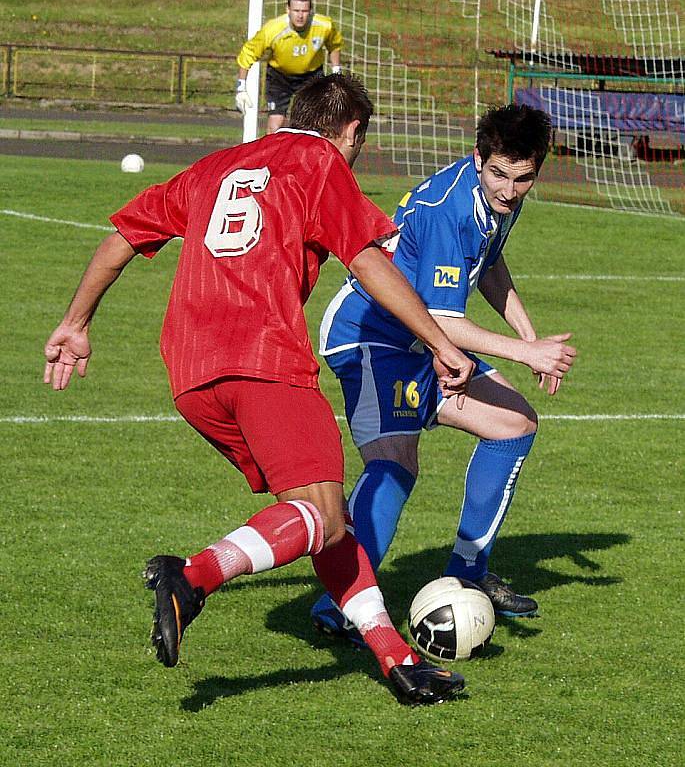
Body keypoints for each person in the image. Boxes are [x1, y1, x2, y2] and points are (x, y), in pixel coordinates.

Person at [43, 73, 475, 706]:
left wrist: (75, 323)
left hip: (192, 375)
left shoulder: (215, 164)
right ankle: (191, 575)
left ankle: (397, 660)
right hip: (265, 361)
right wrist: (441, 342)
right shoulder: (320, 161)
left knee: (325, 518)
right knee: (323, 516)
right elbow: (367, 261)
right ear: (351, 131)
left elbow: (120, 241)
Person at [311, 103, 577, 644]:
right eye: (498, 173)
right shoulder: (446, 208)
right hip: (371, 338)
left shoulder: (498, 200)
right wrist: (530, 355)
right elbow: (445, 320)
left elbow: (490, 264)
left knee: (515, 424)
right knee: (395, 463)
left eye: (522, 178)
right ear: (478, 157)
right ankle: (336, 603)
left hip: (421, 338)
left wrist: (528, 335)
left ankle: (468, 575)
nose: (508, 189)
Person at [235, 0, 343, 134]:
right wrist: (241, 88)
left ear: (311, 11)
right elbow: (248, 53)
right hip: (279, 77)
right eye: (296, 11)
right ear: (288, 10)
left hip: (312, 76)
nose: (300, 15)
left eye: (304, 11)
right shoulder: (273, 30)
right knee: (275, 125)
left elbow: (334, 45)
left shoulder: (324, 26)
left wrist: (336, 71)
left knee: (313, 125)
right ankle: (272, 154)